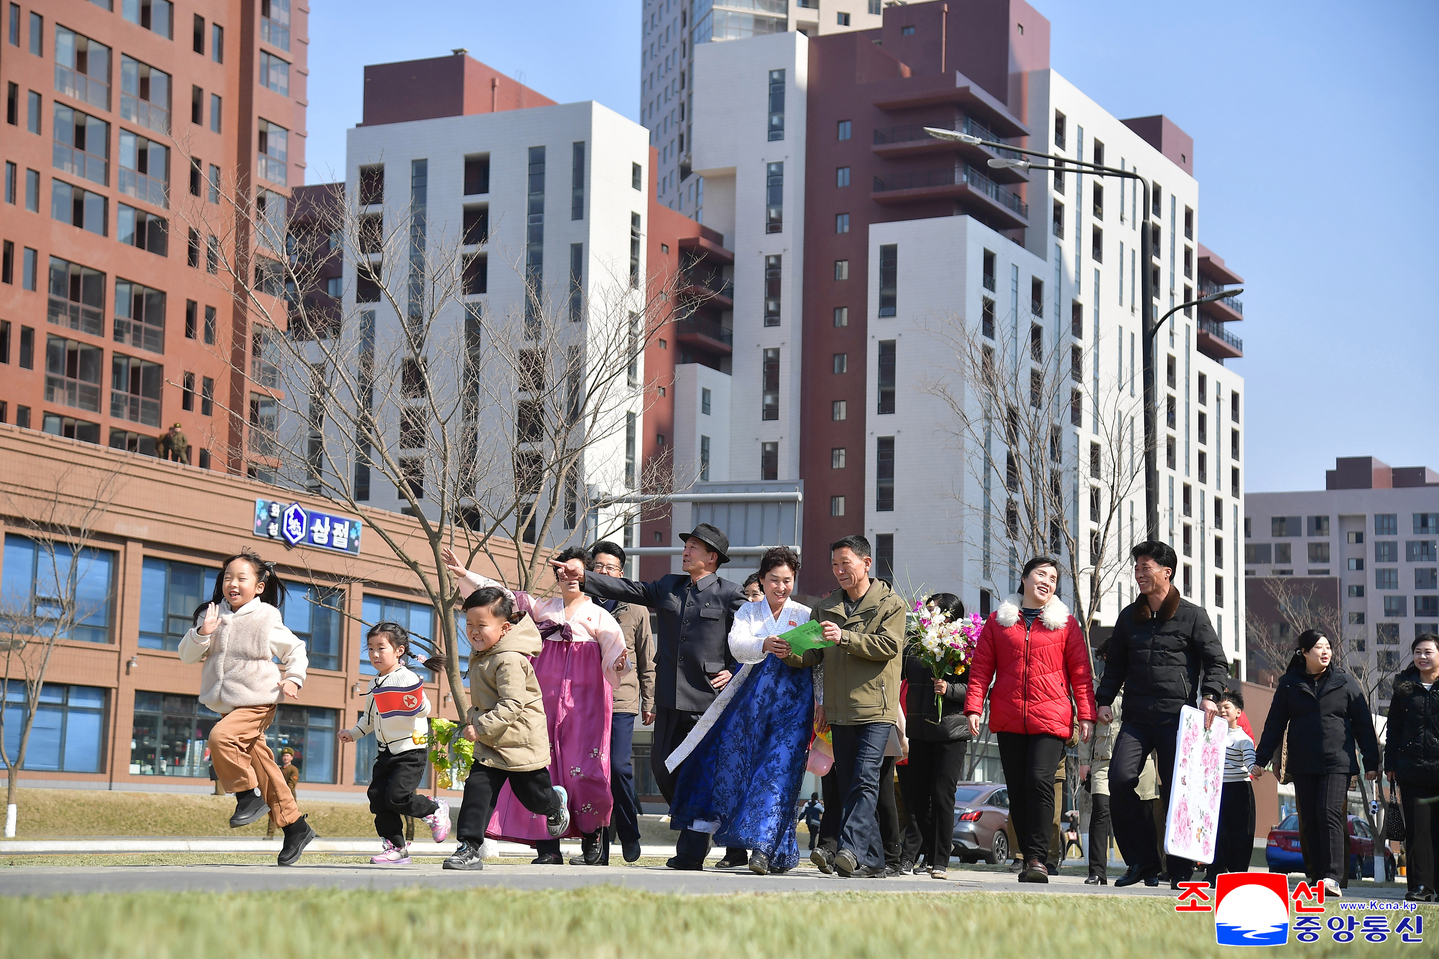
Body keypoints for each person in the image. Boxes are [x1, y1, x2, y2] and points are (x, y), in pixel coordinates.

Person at [553, 522, 747, 870]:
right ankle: (699, 822)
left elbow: (746, 639)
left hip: (708, 701)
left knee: (698, 774)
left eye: (694, 547)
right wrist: (583, 577)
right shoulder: (669, 586)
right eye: (686, 545)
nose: (686, 551)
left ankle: (691, 851)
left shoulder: (730, 594)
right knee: (661, 767)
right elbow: (630, 588)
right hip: (670, 698)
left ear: (712, 557)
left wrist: (733, 669)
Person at [444, 546, 630, 865]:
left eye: (575, 571)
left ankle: (593, 838)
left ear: (587, 575)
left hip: (585, 703)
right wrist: (466, 576)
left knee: (586, 770)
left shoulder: (601, 616)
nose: (567, 576)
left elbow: (617, 659)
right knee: (543, 770)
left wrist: (619, 661)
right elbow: (501, 598)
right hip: (540, 700)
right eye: (561, 571)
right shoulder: (540, 608)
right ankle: (548, 848)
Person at [665, 546, 814, 875]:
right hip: (750, 704)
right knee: (726, 766)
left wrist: (821, 704)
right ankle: (724, 847)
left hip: (793, 705)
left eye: (787, 580)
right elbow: (736, 645)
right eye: (773, 580)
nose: (780, 586)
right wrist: (764, 644)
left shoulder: (804, 614)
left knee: (778, 774)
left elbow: (815, 663)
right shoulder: (749, 612)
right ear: (762, 580)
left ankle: (764, 849)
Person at [1096, 540, 1228, 889]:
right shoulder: (1129, 617)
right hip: (1137, 718)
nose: (1139, 573)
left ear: (1166, 572)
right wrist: (1104, 700)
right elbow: (1116, 667)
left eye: (1146, 567)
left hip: (1178, 719)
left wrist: (1211, 696)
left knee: (1177, 793)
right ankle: (1142, 861)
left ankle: (1180, 871)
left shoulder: (1192, 615)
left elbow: (1217, 661)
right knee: (1120, 780)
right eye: (1137, 567)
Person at [963, 556, 1096, 884]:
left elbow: (1081, 673)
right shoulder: (999, 621)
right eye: (1041, 574)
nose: (1047, 581)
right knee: (1019, 790)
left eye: (1053, 578)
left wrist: (1086, 715)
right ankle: (1026, 855)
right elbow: (981, 669)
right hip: (1009, 717)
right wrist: (973, 708)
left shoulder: (1066, 624)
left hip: (1051, 717)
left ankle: (1037, 858)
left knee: (1039, 781)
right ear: (1023, 578)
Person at [178, 548, 315, 866]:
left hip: (259, 700)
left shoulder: (266, 617)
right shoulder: (210, 616)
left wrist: (294, 678)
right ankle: (296, 827)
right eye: (228, 577)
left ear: (259, 586)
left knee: (220, 738)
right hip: (230, 705)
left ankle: (246, 796)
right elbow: (186, 655)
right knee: (266, 766)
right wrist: (202, 633)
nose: (233, 583)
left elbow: (295, 649)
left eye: (242, 578)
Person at [780, 535, 906, 879]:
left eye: (845, 563)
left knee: (865, 779)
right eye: (834, 564)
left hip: (876, 708)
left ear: (866, 563)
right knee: (853, 783)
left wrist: (845, 637)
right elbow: (814, 653)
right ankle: (876, 861)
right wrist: (789, 652)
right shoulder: (826, 606)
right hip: (839, 709)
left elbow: (889, 646)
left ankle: (849, 849)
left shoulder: (891, 603)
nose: (838, 571)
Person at [443, 588, 571, 870]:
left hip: (520, 744)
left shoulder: (509, 659)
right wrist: (473, 718)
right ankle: (469, 848)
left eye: (482, 626)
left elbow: (512, 704)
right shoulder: (484, 654)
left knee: (533, 797)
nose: (474, 632)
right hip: (491, 744)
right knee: (477, 791)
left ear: (505, 628)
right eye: (470, 625)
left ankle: (554, 803)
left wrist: (480, 726)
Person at [1252, 629, 1379, 898]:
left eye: (1328, 647)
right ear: (1305, 653)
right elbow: (1274, 724)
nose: (1325, 652)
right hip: (1304, 762)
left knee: (1329, 812)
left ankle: (1332, 877)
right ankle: (1317, 876)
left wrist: (1371, 761)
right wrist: (1260, 759)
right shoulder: (1289, 683)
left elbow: (1363, 725)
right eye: (1319, 647)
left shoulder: (1345, 682)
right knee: (1309, 819)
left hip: (1338, 761)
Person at [338, 623, 451, 865]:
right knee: (378, 797)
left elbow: (425, 709)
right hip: (385, 752)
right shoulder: (373, 683)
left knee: (397, 797)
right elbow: (368, 719)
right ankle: (396, 848)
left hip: (410, 751)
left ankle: (433, 809)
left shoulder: (407, 677)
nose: (374, 654)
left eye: (381, 648)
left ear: (399, 651)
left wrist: (419, 703)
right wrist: (353, 733)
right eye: (370, 649)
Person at [584, 541, 656, 867]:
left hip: (622, 700)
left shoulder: (635, 607)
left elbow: (647, 660)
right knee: (591, 771)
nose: (604, 572)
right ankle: (597, 845)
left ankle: (629, 832)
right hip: (586, 701)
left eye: (610, 568)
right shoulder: (581, 605)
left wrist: (649, 700)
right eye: (598, 566)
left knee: (618, 767)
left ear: (621, 573)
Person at [897, 593, 972, 880]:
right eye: (928, 612)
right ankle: (922, 850)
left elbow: (976, 688)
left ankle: (939, 858)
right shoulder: (915, 646)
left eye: (936, 612)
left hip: (950, 731)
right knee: (915, 796)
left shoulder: (963, 647)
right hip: (918, 729)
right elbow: (898, 675)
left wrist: (948, 690)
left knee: (942, 795)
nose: (930, 617)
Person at [1386, 633, 1439, 902]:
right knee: (1418, 833)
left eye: (1428, 651)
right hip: (1412, 770)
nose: (1422, 656)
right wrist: (1390, 764)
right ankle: (1421, 886)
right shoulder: (1404, 689)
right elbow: (1393, 728)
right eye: (1417, 651)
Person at [1205, 687, 1256, 883]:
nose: (1222, 710)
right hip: (1216, 790)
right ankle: (1214, 873)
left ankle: (1238, 875)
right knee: (1217, 833)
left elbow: (1249, 759)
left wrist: (1254, 768)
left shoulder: (1243, 739)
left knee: (1240, 835)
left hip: (1239, 789)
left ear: (1238, 713)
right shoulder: (1210, 735)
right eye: (1219, 707)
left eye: (1227, 707)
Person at [1078, 672, 1119, 885]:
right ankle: (1096, 871)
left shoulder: (1138, 687)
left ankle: (1143, 869)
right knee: (1101, 811)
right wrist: (1084, 761)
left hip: (1130, 762)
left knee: (1132, 814)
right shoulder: (1099, 693)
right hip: (1101, 762)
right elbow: (1087, 728)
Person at [265, 749, 301, 839]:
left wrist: (284, 792)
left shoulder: (293, 769)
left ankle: (295, 835)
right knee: (274, 814)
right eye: (284, 756)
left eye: (287, 756)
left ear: (291, 758)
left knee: (291, 816)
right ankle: (270, 835)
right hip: (277, 795)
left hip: (289, 795)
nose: (285, 758)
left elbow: (292, 783)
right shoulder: (279, 769)